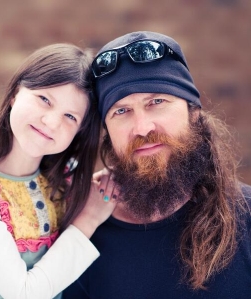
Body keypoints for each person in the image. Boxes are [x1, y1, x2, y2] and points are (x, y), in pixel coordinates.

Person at [62, 31, 251, 299]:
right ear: (107, 132)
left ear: (193, 112)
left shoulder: (247, 217)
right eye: (122, 111)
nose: (142, 128)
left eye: (157, 102)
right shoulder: (81, 238)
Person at [0, 43, 117, 299]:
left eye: (70, 117)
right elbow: (24, 294)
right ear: (15, 94)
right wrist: (88, 220)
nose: (51, 122)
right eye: (44, 100)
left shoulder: (61, 186)